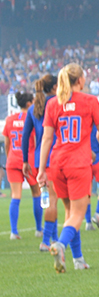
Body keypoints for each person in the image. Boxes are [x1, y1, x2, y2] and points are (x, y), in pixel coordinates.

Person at [37, 64, 99, 272]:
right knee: (78, 213)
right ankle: (60, 244)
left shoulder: (54, 103)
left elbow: (47, 139)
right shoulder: (90, 101)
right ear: (80, 80)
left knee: (69, 212)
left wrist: (41, 169)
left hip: (57, 163)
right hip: (78, 164)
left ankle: (78, 260)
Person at [23, 74, 56, 248]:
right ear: (54, 87)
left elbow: (25, 135)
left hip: (38, 160)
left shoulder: (33, 108)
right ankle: (45, 241)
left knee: (48, 200)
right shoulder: (57, 103)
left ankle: (54, 238)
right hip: (54, 158)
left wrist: (24, 161)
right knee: (53, 200)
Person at [4, 91, 42, 240]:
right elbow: (33, 139)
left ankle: (14, 232)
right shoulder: (32, 117)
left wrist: (10, 158)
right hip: (29, 161)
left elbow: (7, 143)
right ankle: (39, 229)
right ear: (28, 104)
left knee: (15, 195)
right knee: (36, 193)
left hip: (13, 159)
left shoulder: (9, 119)